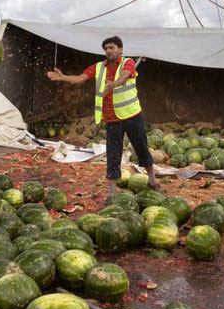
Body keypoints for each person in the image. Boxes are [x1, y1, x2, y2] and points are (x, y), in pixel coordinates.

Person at [47, 36, 162, 203]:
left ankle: (152, 180)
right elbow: (80, 79)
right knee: (113, 155)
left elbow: (125, 75)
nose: (108, 51)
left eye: (112, 47)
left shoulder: (127, 62)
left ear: (120, 50)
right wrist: (62, 77)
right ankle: (112, 193)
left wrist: (114, 84)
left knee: (141, 148)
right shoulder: (98, 68)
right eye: (106, 48)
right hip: (112, 120)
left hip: (132, 116)